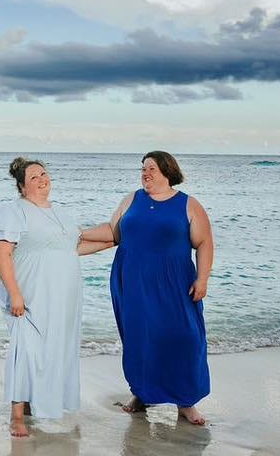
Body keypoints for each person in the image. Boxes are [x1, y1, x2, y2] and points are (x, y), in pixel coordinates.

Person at [82, 151, 213, 425]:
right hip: (132, 281)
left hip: (174, 283)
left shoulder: (188, 204)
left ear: (167, 170)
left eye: (151, 168)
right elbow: (113, 233)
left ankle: (185, 402)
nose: (145, 173)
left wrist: (202, 279)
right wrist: (76, 233)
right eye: (143, 168)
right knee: (139, 339)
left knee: (184, 337)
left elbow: (204, 242)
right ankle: (141, 394)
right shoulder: (131, 200)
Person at [0, 157, 114, 437]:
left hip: (62, 297)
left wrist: (112, 240)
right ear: (22, 187)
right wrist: (15, 293)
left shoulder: (61, 213)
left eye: (44, 174)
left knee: (51, 349)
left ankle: (33, 404)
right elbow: (1, 251)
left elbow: (72, 248)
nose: (42, 179)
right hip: (31, 292)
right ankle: (17, 416)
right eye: (34, 177)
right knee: (26, 349)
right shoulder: (13, 211)